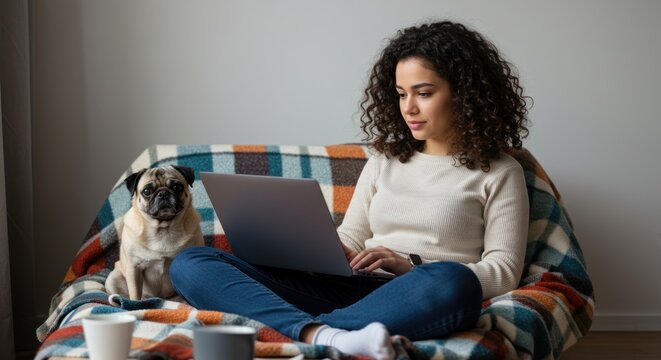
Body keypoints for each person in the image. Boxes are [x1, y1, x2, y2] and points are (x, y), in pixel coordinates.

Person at [170, 20, 531, 360]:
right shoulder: (384, 161)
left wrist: (409, 266)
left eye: (424, 93)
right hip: (344, 288)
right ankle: (327, 336)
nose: (409, 108)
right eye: (401, 94)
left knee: (456, 284)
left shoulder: (499, 172)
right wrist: (323, 254)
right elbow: (353, 239)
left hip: (413, 294)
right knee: (191, 263)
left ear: (464, 94)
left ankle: (305, 328)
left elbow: (502, 272)